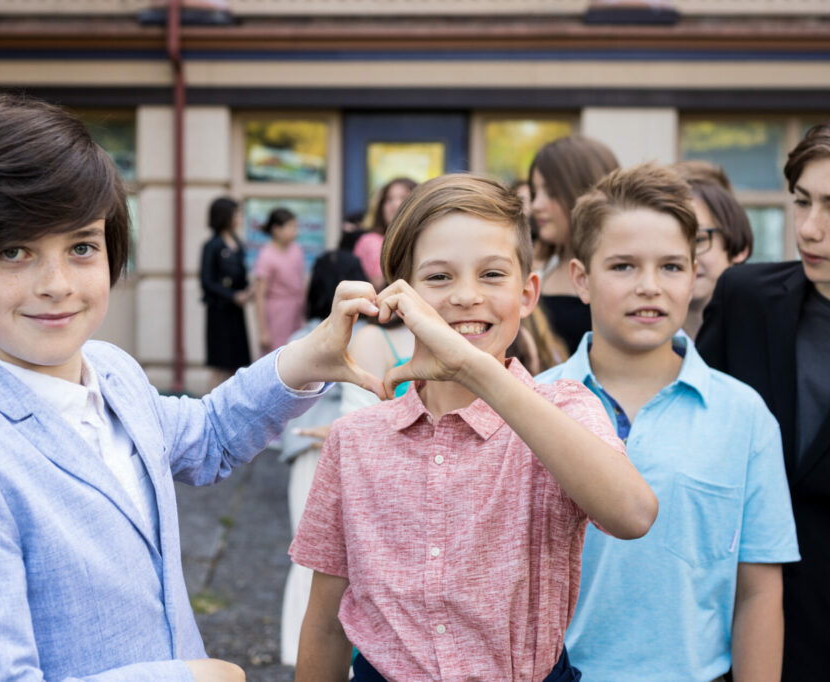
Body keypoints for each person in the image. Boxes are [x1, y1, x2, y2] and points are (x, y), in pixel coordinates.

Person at [0, 94, 388, 682]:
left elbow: (209, 435)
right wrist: (186, 679)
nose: (57, 284)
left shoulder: (109, 369)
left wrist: (308, 356)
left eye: (81, 247)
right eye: (13, 251)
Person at [291, 173, 657, 681]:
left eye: (491, 275)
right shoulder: (356, 440)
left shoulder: (565, 408)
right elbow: (326, 623)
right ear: (400, 297)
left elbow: (633, 514)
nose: (466, 295)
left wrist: (475, 370)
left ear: (527, 293)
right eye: (439, 277)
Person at [538, 163, 798, 681]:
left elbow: (759, 591)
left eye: (672, 267)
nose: (650, 286)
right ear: (582, 280)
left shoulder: (743, 414)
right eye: (624, 266)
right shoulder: (532, 404)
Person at [697, 122, 830, 681]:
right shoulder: (745, 297)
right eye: (801, 202)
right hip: (737, 621)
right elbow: (692, 422)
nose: (809, 229)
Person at [277, 246, 367, 667]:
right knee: (348, 561)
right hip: (350, 453)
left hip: (306, 449)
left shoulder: (303, 337)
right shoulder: (368, 339)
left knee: (308, 557)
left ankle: (300, 655)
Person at [529, 135, 619, 354]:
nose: (535, 205)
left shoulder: (619, 280)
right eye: (535, 192)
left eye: (550, 192)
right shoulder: (538, 273)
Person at [679, 179, 752, 338]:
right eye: (675, 241)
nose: (687, 257)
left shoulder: (759, 335)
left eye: (699, 240)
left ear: (739, 248)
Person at [200, 196, 252, 390]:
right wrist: (232, 296)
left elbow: (241, 275)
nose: (239, 218)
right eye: (236, 214)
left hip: (236, 312)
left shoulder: (237, 243)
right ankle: (210, 403)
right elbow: (207, 281)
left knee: (236, 363)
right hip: (219, 311)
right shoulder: (212, 246)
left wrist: (248, 290)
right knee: (220, 363)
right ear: (224, 216)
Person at [254, 207, 306, 354]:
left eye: (295, 227)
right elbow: (260, 295)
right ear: (276, 229)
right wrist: (263, 331)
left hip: (296, 311)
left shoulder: (296, 249)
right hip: (277, 313)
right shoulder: (266, 255)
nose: (295, 231)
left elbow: (301, 282)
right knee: (276, 355)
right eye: (290, 227)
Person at [353, 177, 417, 289]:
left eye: (403, 197)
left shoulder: (425, 239)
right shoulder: (371, 241)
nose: (395, 204)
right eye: (389, 199)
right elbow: (379, 285)